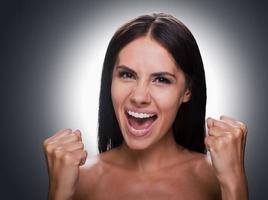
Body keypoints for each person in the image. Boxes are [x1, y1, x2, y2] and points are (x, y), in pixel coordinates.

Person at [43, 13, 248, 200]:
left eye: (161, 79)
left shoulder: (216, 178)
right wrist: (59, 192)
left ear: (187, 91)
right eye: (127, 75)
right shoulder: (78, 179)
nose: (139, 97)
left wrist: (234, 183)